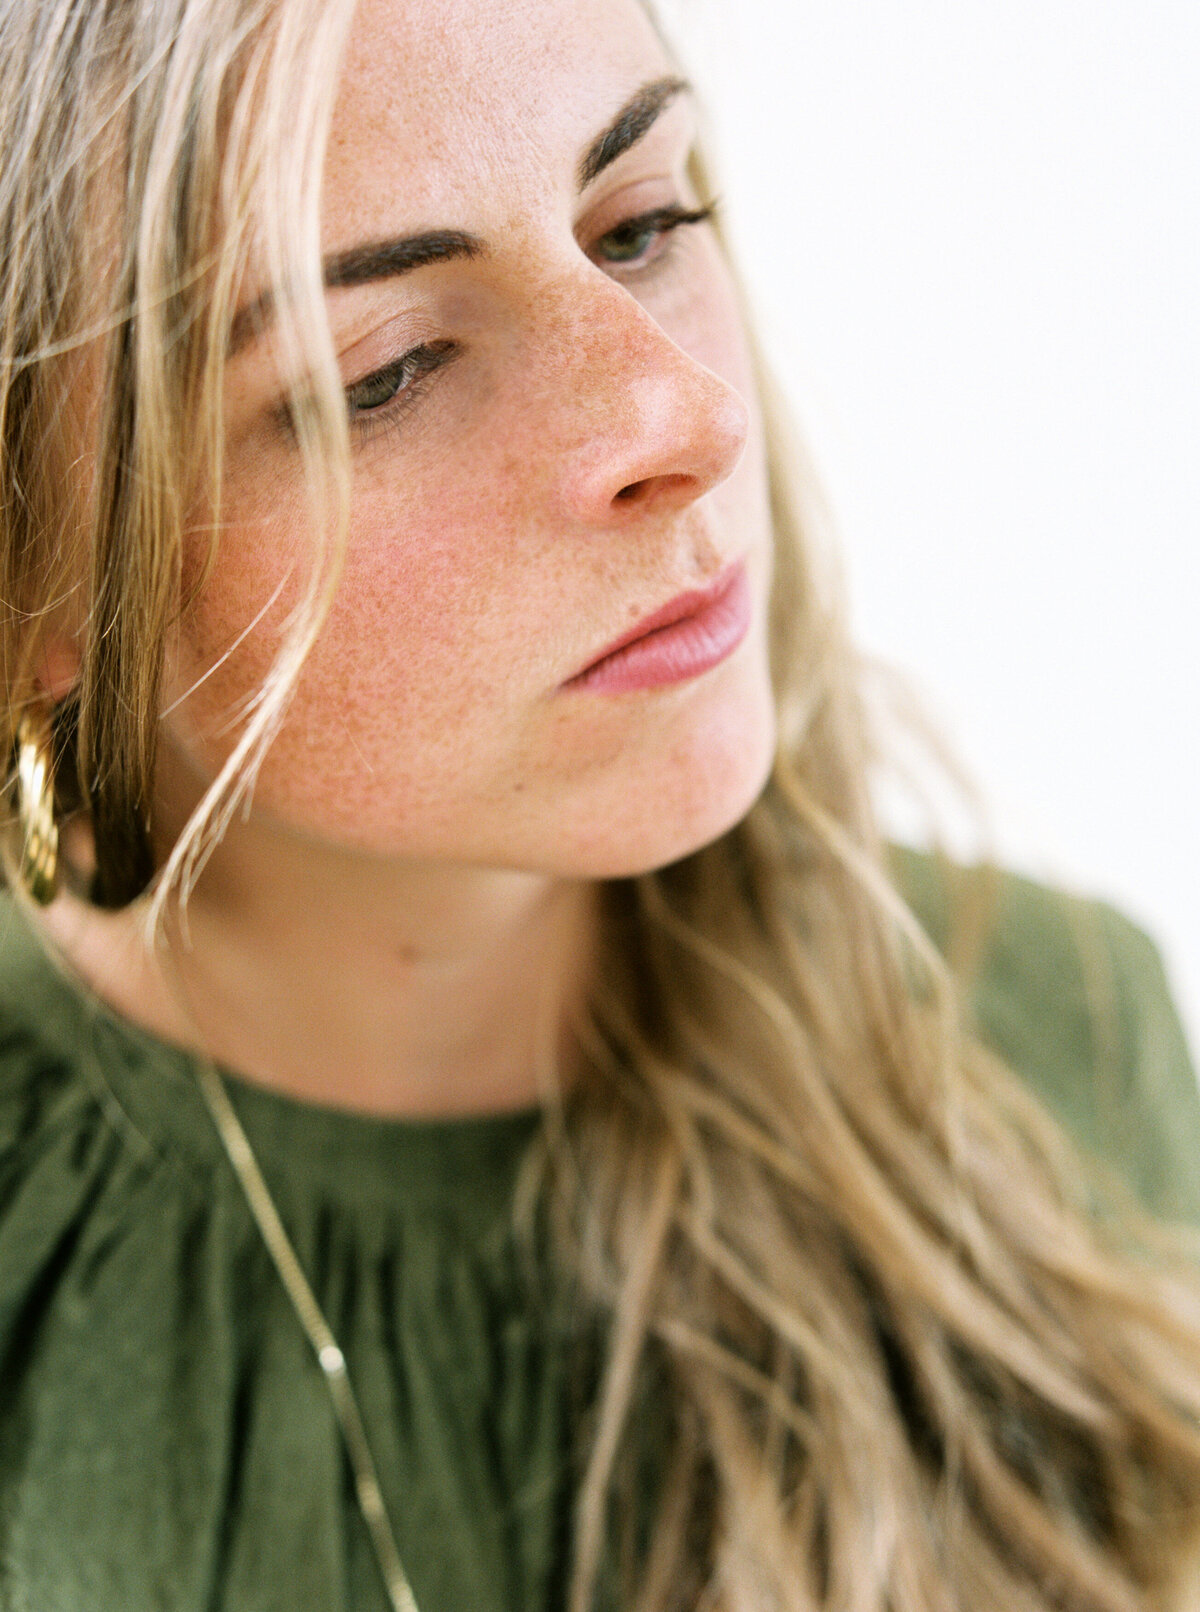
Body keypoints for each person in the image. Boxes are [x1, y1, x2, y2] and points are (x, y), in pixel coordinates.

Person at [1, 0, 1199, 1608]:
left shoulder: (1057, 1047)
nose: (687, 421)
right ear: (35, 589)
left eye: (641, 224)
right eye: (390, 369)